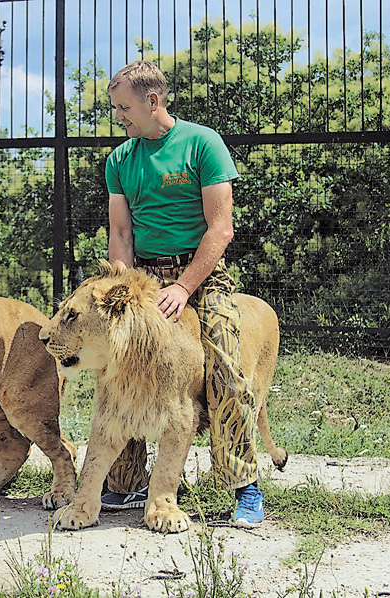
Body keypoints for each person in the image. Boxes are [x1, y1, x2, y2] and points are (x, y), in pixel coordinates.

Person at [100, 59, 263, 527]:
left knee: (227, 365)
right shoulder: (120, 160)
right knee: (120, 369)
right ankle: (126, 482)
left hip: (202, 275)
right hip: (143, 278)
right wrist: (123, 293)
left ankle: (243, 484)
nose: (119, 117)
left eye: (124, 108)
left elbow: (221, 229)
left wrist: (185, 287)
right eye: (115, 109)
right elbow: (120, 234)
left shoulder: (202, 143)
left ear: (154, 101)